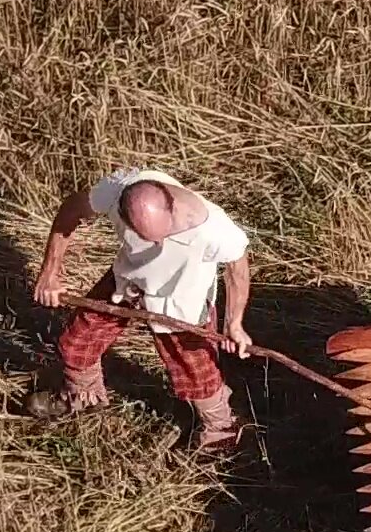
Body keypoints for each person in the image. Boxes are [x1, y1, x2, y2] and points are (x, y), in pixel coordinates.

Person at [27, 168, 256, 452]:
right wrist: (50, 273)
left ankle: (220, 431)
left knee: (194, 372)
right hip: (128, 280)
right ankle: (83, 399)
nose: (158, 244)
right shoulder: (116, 190)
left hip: (180, 298)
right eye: (148, 238)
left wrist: (234, 324)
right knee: (78, 340)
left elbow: (238, 268)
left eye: (164, 235)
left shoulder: (214, 228)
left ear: (171, 205)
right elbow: (72, 209)